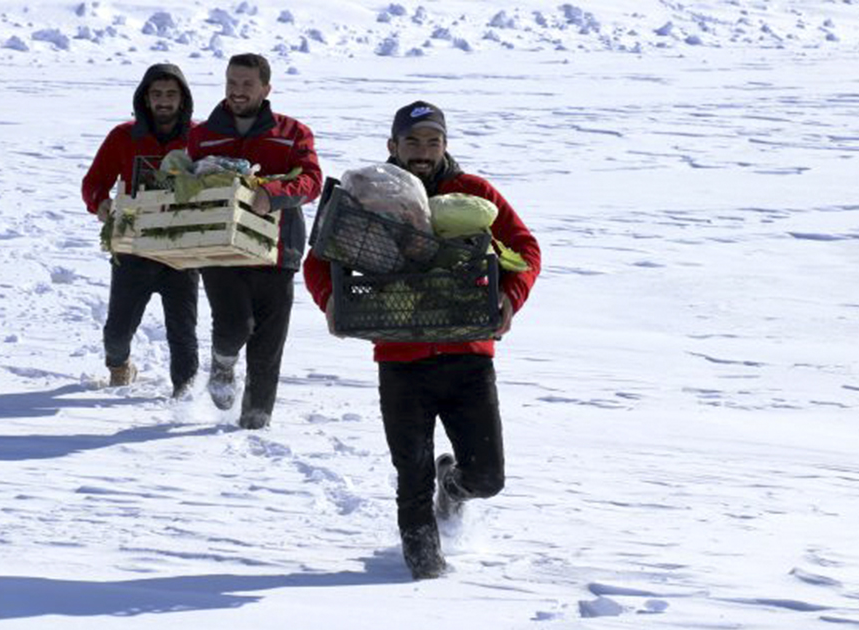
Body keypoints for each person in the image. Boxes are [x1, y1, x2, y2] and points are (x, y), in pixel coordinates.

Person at [303, 101, 541, 580]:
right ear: (393, 146)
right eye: (412, 142)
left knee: (488, 477)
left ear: (445, 146)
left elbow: (526, 248)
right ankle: (424, 581)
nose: (423, 151)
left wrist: (510, 299)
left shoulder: (473, 193)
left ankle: (452, 487)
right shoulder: (366, 195)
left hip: (467, 355)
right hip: (401, 356)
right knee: (410, 477)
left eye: (433, 142)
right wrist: (329, 297)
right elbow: (317, 261)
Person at [188, 53, 323, 429]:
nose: (237, 91)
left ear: (266, 88)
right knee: (234, 324)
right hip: (219, 245)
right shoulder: (201, 134)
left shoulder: (292, 132)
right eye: (232, 82)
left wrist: (273, 193)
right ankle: (223, 362)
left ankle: (255, 420)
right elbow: (185, 179)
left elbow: (312, 180)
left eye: (247, 84)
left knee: (267, 342)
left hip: (277, 249)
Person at [81, 63, 200, 396]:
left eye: (171, 94)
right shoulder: (123, 136)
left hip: (182, 246)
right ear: (145, 98)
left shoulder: (198, 137)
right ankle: (120, 367)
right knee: (117, 332)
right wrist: (99, 203)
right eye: (157, 94)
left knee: (183, 332)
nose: (164, 101)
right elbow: (93, 183)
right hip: (133, 243)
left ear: (183, 98)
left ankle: (184, 393)